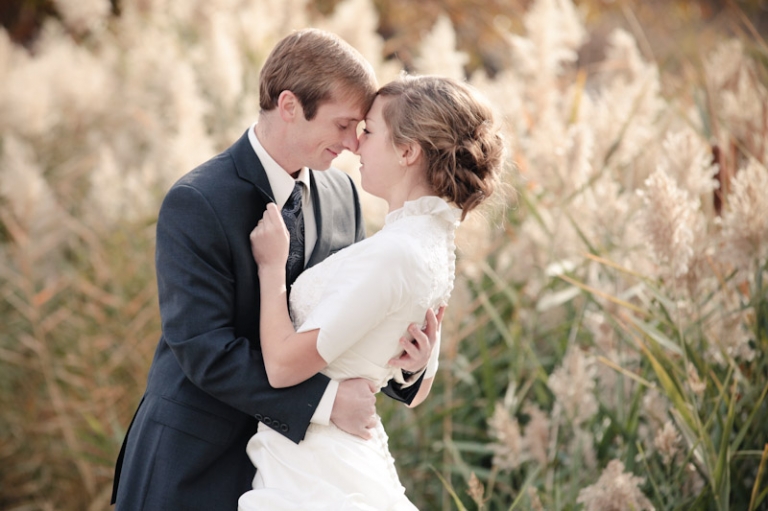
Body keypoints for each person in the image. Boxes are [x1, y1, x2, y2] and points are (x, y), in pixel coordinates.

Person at [110, 29, 440, 511]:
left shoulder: (342, 196)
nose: (353, 144)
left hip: (297, 478)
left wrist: (408, 366)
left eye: (361, 128)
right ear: (289, 105)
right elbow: (204, 351)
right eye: (344, 124)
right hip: (195, 466)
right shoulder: (197, 201)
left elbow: (349, 320)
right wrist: (326, 404)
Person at [239, 74, 504, 510]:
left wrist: (272, 270)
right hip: (335, 461)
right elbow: (415, 392)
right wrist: (416, 366)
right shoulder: (435, 242)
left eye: (370, 132)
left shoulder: (394, 253)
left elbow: (284, 368)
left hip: (315, 473)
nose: (356, 145)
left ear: (407, 151)